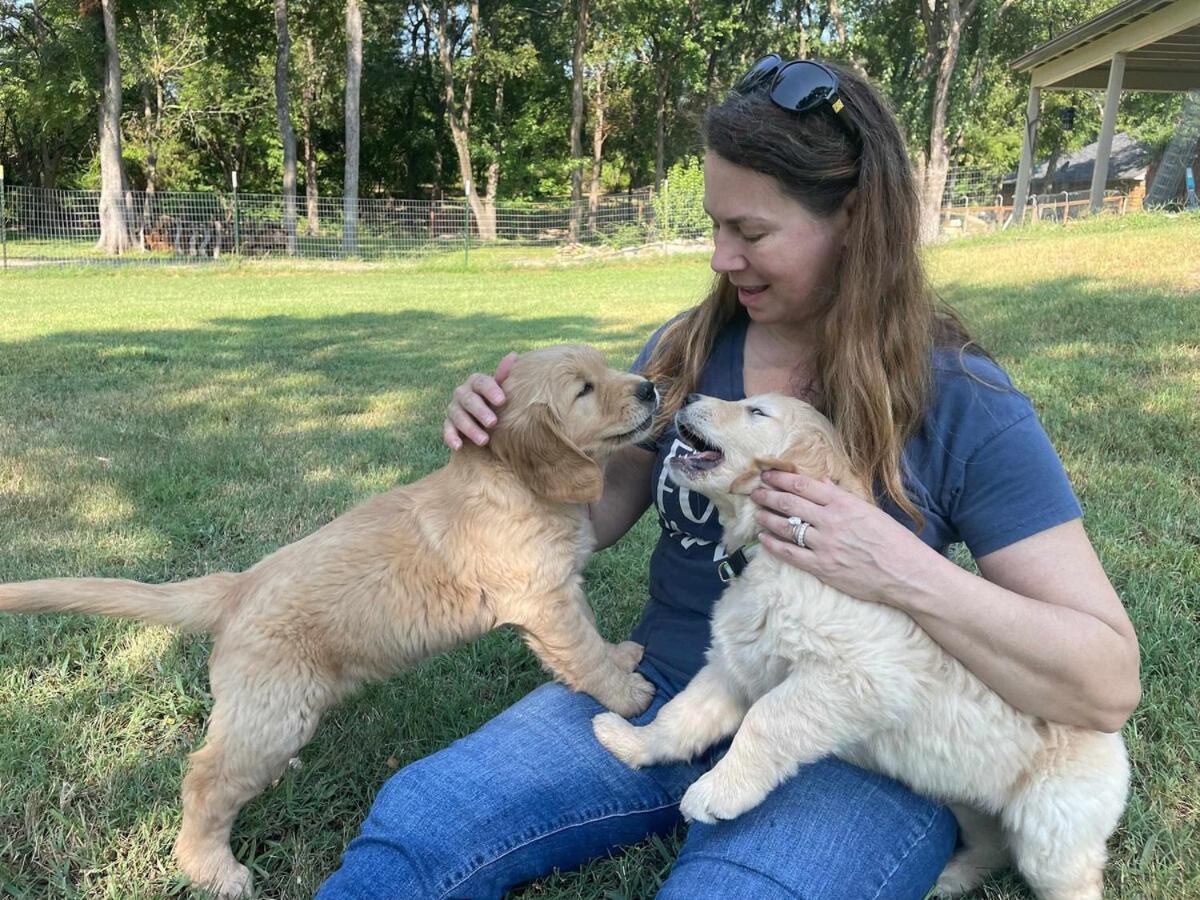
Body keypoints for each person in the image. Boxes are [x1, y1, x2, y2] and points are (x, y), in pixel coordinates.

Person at [317, 56, 1140, 899]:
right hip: (671, 681)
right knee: (422, 822)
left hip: (855, 740)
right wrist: (511, 450)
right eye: (716, 227)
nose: (720, 257)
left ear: (854, 216)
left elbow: (1106, 682)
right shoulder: (687, 351)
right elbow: (591, 517)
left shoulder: (965, 400)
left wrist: (898, 568)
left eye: (750, 232)